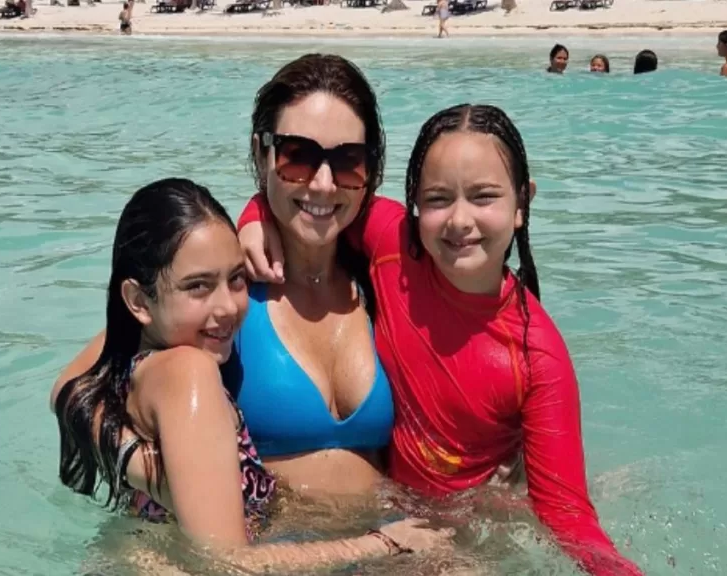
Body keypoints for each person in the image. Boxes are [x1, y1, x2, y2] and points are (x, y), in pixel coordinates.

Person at [238, 104, 644, 576]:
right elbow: (315, 201)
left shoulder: (537, 357)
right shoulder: (392, 243)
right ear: (413, 203)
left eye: (483, 197)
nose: (459, 220)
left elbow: (568, 514)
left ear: (522, 203)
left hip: (460, 535)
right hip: (384, 521)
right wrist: (254, 216)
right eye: (438, 199)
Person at [51, 178, 452, 573]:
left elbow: (67, 391)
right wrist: (381, 544)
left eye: (236, 278)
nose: (228, 306)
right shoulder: (189, 371)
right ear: (138, 301)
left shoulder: (140, 364)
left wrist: (134, 461)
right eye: (198, 286)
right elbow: (225, 563)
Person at [60, 54, 395, 500]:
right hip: (255, 543)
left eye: (348, 160)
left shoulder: (382, 280)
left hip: (387, 536)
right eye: (298, 156)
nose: (322, 184)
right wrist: (152, 473)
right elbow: (73, 390)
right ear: (260, 154)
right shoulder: (223, 289)